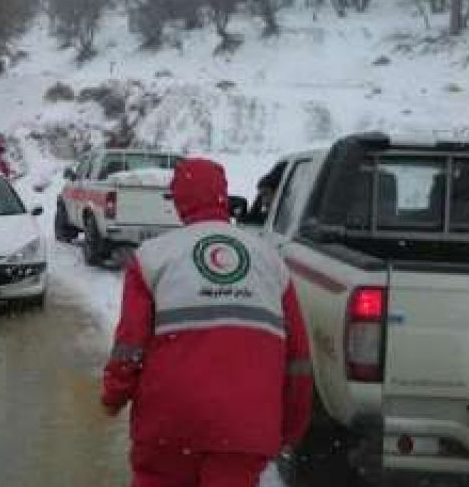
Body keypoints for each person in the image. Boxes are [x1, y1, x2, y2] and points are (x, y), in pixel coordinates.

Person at [102, 158, 313, 487]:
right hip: (245, 428)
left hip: (169, 424)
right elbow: (298, 357)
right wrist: (290, 426)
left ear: (179, 200)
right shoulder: (269, 260)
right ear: (223, 196)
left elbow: (131, 343)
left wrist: (114, 395)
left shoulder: (153, 257)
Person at [241, 162, 286, 226]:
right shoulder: (270, 218)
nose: (264, 201)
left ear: (280, 192)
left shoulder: (289, 220)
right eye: (261, 196)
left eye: (266, 194)